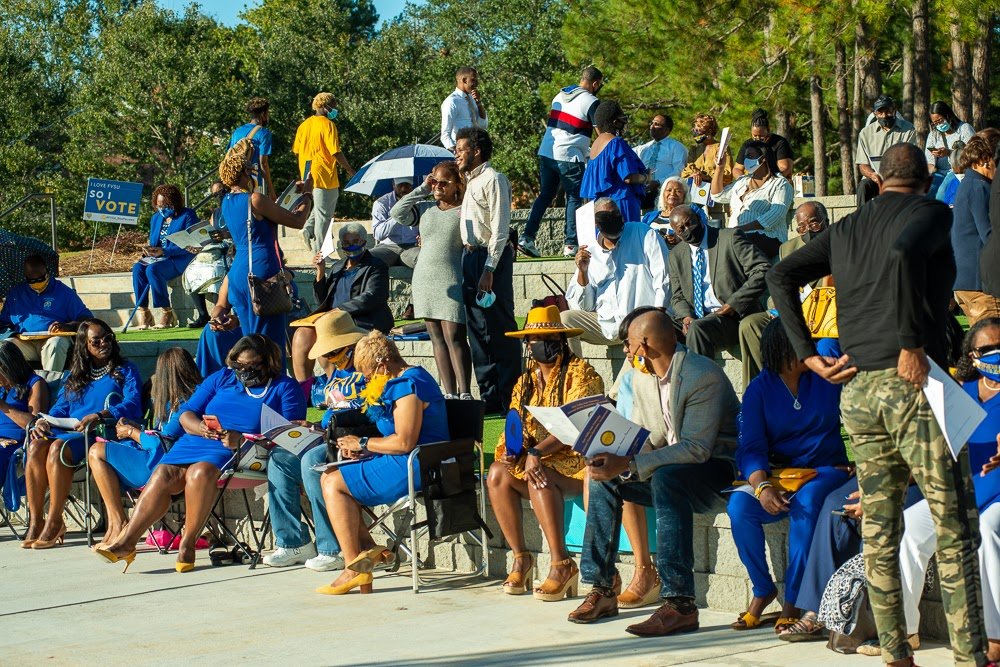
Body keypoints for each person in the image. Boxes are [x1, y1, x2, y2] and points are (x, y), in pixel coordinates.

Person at [768, 142, 989, 667]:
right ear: (928, 177)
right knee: (955, 527)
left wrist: (808, 356)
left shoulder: (845, 228)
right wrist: (912, 341)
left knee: (880, 533)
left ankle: (895, 654)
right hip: (913, 381)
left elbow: (780, 276)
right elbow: (904, 254)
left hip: (859, 389)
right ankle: (970, 658)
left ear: (880, 177)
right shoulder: (932, 211)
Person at [568, 307, 739, 637]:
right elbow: (643, 436)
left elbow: (697, 448)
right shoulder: (641, 377)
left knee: (666, 477)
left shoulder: (703, 375)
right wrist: (605, 450)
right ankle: (602, 589)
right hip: (669, 469)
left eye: (629, 345)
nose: (627, 352)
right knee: (603, 478)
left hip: (717, 472)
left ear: (644, 345)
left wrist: (631, 464)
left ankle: (679, 604)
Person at [95, 334, 305, 573]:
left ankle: (188, 542)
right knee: (163, 473)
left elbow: (292, 432)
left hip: (242, 450)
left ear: (269, 362)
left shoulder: (284, 387)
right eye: (239, 365)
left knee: (199, 472)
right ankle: (127, 542)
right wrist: (200, 428)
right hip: (198, 440)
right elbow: (187, 412)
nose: (245, 371)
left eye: (253, 365)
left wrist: (242, 439)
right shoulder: (222, 378)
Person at [726, 319, 851, 632]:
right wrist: (762, 486)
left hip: (825, 469)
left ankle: (793, 601)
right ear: (783, 350)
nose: (808, 350)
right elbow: (750, 446)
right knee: (739, 509)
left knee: (806, 506)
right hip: (779, 474)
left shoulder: (823, 374)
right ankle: (762, 589)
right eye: (800, 344)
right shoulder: (759, 389)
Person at [898, 318, 1000, 663]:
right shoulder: (960, 393)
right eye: (987, 349)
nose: (997, 354)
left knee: (987, 530)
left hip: (997, 498)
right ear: (972, 355)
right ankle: (907, 630)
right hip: (959, 491)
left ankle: (995, 637)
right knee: (911, 526)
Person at [317, 331, 449, 595]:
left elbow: (404, 442)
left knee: (333, 483)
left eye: (367, 374)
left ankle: (354, 568)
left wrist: (363, 443)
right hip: (406, 458)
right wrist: (365, 452)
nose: (366, 380)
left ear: (382, 365)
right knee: (330, 473)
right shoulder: (400, 380)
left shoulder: (408, 385)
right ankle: (365, 553)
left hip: (420, 464)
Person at [488, 306, 604, 600]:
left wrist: (537, 453)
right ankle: (521, 558)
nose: (531, 345)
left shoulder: (582, 373)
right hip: (536, 457)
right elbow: (514, 423)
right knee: (497, 474)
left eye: (538, 338)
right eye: (529, 340)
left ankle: (562, 564)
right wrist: (511, 452)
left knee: (539, 476)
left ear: (557, 340)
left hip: (577, 461)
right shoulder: (525, 380)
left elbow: (578, 425)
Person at [263, 312, 368, 572]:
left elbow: (371, 415)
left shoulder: (369, 369)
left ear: (351, 346)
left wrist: (333, 433)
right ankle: (293, 542)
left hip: (359, 440)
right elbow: (334, 411)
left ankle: (332, 549)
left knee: (312, 460)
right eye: (328, 354)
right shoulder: (337, 372)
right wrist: (314, 427)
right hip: (330, 436)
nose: (329, 360)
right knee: (281, 458)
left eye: (334, 353)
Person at [24, 320, 142, 550]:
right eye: (96, 341)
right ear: (84, 345)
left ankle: (55, 520)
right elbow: (60, 408)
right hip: (70, 430)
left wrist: (100, 414)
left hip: (99, 431)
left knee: (57, 448)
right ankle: (37, 520)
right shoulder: (76, 375)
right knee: (36, 446)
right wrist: (44, 421)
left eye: (107, 337)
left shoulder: (125, 370)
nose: (103, 343)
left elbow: (133, 403)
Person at [89, 348, 200, 549]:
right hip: (162, 462)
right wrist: (138, 429)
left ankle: (118, 522)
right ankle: (117, 524)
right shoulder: (173, 401)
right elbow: (160, 435)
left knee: (96, 451)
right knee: (101, 452)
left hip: (164, 466)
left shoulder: (185, 404)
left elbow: (163, 444)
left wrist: (132, 433)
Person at [211, 138, 313, 353]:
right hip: (261, 271)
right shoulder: (254, 199)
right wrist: (307, 194)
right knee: (269, 344)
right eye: (250, 171)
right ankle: (270, 383)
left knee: (251, 338)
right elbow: (297, 221)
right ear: (244, 174)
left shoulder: (226, 202)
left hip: (239, 272)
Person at [391, 161, 473, 399]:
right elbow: (398, 212)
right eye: (435, 181)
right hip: (424, 279)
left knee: (455, 337)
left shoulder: (465, 209)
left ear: (457, 184)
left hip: (451, 278)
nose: (438, 186)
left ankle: (465, 393)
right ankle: (450, 394)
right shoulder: (426, 209)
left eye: (444, 182)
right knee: (437, 339)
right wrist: (422, 189)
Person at [454, 127, 521, 414]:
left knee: (499, 326)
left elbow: (500, 227)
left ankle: (510, 396)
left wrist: (490, 267)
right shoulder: (469, 182)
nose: (456, 154)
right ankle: (489, 396)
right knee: (477, 330)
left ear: (477, 151)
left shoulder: (494, 179)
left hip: (490, 259)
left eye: (461, 149)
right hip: (470, 256)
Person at [738, 201, 834, 388]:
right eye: (802, 227)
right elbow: (778, 287)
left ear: (826, 222)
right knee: (750, 325)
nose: (808, 230)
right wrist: (780, 307)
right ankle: (763, 389)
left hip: (822, 315)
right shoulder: (787, 248)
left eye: (814, 224)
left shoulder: (838, 243)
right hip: (793, 309)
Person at [563, 199, 670, 357]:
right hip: (607, 325)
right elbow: (584, 307)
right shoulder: (590, 252)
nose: (613, 219)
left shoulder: (643, 233)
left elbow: (663, 277)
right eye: (607, 217)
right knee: (565, 319)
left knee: (627, 380)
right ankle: (576, 375)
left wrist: (657, 317)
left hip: (642, 323)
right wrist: (582, 272)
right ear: (597, 224)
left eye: (616, 214)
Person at [290, 223, 391, 390]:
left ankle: (335, 386)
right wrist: (320, 272)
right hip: (333, 320)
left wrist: (340, 310)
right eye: (346, 242)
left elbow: (373, 297)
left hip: (360, 321)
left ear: (364, 241)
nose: (351, 246)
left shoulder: (376, 265)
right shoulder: (338, 266)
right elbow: (323, 301)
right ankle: (304, 390)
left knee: (327, 340)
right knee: (302, 334)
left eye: (355, 241)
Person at [519, 66, 604, 258]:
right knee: (574, 197)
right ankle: (571, 244)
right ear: (596, 83)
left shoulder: (559, 95)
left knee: (545, 195)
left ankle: (527, 237)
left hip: (547, 152)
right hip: (569, 155)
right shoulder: (592, 101)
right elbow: (600, 133)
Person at [667, 204, 770, 360]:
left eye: (690, 223)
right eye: (681, 229)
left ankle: (704, 383)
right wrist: (686, 317)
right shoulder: (676, 254)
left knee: (697, 329)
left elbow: (762, 269)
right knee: (658, 326)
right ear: (677, 234)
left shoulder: (730, 237)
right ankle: (670, 382)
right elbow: (677, 295)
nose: (687, 229)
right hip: (697, 318)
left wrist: (733, 304)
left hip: (733, 317)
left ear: (700, 219)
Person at [0, 254, 92, 372]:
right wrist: (12, 333)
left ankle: (50, 386)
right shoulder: (16, 294)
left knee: (55, 344)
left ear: (47, 272)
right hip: (25, 342)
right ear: (25, 276)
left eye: (40, 279)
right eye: (31, 280)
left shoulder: (64, 292)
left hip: (53, 339)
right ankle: (16, 388)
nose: (36, 283)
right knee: (4, 348)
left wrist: (68, 325)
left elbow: (86, 319)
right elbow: (3, 324)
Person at [131, 184, 199, 330]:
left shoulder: (187, 215)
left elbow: (190, 244)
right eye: (158, 205)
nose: (161, 208)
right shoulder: (156, 218)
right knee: (137, 268)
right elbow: (155, 242)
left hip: (179, 258)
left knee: (152, 270)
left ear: (174, 202)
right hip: (159, 257)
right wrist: (148, 251)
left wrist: (165, 252)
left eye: (165, 205)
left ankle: (167, 312)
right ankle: (144, 312)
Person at [293, 92, 356, 252]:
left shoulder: (304, 125)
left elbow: (297, 151)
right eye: (333, 106)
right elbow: (335, 151)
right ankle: (318, 252)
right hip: (325, 174)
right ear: (324, 105)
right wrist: (350, 170)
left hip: (308, 174)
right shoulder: (327, 125)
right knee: (324, 216)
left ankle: (307, 230)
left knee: (320, 208)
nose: (334, 109)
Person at [710, 141, 794, 258]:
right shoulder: (742, 181)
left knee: (739, 246)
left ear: (763, 159)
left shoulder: (780, 184)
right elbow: (717, 195)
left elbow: (776, 214)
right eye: (745, 157)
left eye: (750, 156)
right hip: (737, 238)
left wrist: (741, 229)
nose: (746, 161)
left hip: (768, 239)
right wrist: (720, 168)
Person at [580, 101, 652, 224]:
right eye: (622, 120)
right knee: (627, 240)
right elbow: (628, 177)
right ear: (615, 122)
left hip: (602, 208)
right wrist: (646, 178)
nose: (623, 124)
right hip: (621, 204)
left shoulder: (595, 146)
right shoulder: (616, 143)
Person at [952, 134, 999, 324]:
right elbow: (988, 235)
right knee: (993, 346)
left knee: (981, 345)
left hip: (967, 282)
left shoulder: (969, 185)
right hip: (979, 284)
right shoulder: (978, 187)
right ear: (985, 160)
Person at [0, 342, 48, 503]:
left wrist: (4, 406)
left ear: (8, 366)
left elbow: (35, 423)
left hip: (19, 443)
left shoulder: (34, 383)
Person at [855, 95, 918, 206]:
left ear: (894, 110)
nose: (884, 116)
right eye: (880, 113)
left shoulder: (908, 129)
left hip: (899, 178)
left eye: (888, 112)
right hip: (875, 179)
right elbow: (863, 165)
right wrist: (873, 175)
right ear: (875, 114)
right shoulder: (865, 133)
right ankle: (863, 221)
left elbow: (909, 160)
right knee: (863, 186)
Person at [634, 113, 688, 208]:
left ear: (667, 130)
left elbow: (679, 171)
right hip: (642, 193)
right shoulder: (642, 148)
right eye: (652, 123)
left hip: (665, 194)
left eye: (657, 124)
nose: (652, 127)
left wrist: (659, 182)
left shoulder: (677, 147)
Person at [228, 97, 275, 200]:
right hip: (253, 181)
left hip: (236, 181)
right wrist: (271, 190)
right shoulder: (264, 133)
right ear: (263, 114)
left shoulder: (237, 132)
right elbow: (263, 163)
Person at [925, 100, 975, 194]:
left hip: (958, 171)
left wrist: (949, 153)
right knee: (927, 191)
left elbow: (971, 155)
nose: (939, 125)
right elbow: (929, 162)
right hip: (938, 172)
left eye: (941, 120)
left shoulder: (964, 129)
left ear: (948, 115)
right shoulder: (933, 135)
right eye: (935, 123)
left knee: (941, 193)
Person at [369, 178, 418, 269]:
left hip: (412, 247)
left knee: (424, 259)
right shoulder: (381, 203)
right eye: (400, 185)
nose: (403, 189)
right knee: (368, 259)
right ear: (393, 184)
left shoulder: (419, 202)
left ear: (412, 186)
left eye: (407, 186)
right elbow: (378, 235)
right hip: (387, 247)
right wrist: (397, 215)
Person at [732, 109, 793, 179]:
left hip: (775, 183)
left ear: (768, 130)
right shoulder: (747, 144)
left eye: (761, 137)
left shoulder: (780, 142)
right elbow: (737, 169)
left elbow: (784, 168)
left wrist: (767, 180)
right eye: (754, 136)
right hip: (752, 184)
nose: (758, 139)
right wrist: (744, 180)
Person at [440, 66, 487, 151]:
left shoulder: (472, 99)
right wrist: (458, 153)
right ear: (464, 80)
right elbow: (445, 135)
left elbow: (483, 125)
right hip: (462, 153)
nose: (477, 83)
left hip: (475, 150)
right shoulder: (451, 101)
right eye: (473, 80)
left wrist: (478, 102)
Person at [681, 113, 734, 186]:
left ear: (709, 131)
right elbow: (686, 171)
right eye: (695, 128)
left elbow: (728, 175)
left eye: (699, 128)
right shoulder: (694, 149)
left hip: (714, 190)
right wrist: (694, 174)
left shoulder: (721, 148)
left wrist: (707, 177)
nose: (695, 131)